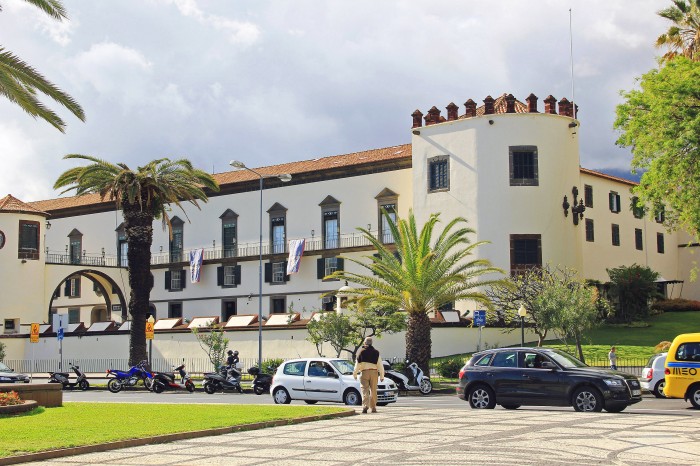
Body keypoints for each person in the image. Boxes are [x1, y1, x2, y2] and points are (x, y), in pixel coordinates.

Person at [352, 336, 385, 414]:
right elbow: (380, 365)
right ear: (372, 343)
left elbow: (357, 365)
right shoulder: (376, 352)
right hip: (374, 372)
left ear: (364, 343)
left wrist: (355, 374)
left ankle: (365, 406)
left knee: (364, 389)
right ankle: (373, 407)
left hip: (364, 372)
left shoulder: (361, 352)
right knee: (373, 390)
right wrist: (382, 375)